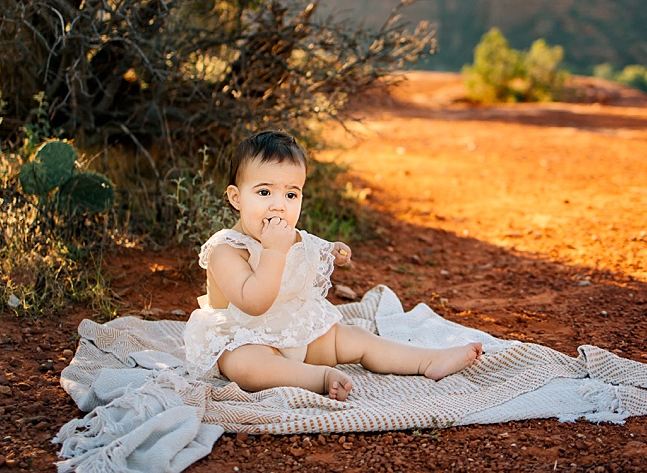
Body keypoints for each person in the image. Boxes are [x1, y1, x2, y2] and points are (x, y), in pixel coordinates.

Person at [183, 130, 482, 401]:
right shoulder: (226, 250)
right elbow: (254, 303)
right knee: (245, 366)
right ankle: (318, 378)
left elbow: (307, 247)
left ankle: (427, 360)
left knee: (355, 337)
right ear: (236, 198)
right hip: (246, 337)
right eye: (264, 192)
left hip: (294, 329)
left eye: (291, 194)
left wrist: (330, 251)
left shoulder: (290, 236)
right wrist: (274, 252)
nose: (279, 205)